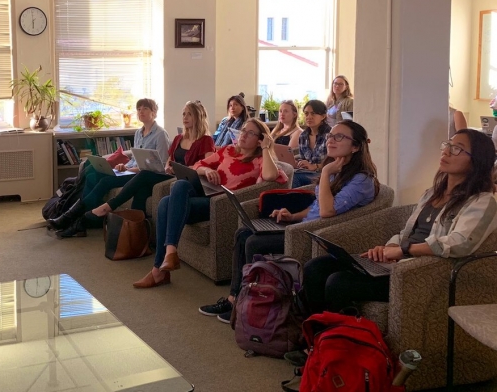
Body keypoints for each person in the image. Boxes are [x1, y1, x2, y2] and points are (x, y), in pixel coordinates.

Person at [301, 128, 497, 315]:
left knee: (339, 282)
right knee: (316, 267)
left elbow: (460, 243)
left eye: (456, 149)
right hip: (399, 262)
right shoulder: (432, 193)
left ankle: (335, 343)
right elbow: (407, 233)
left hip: (422, 273)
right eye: (447, 145)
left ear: (477, 160)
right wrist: (390, 247)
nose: (446, 151)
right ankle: (316, 336)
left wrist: (404, 250)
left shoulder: (482, 201)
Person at [199, 120, 380, 323]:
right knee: (243, 234)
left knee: (254, 242)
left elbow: (328, 211)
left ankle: (250, 305)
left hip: (317, 233)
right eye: (331, 136)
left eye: (339, 137)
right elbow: (317, 208)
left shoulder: (361, 180)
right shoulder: (338, 169)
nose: (331, 140)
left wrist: (326, 172)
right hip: (303, 225)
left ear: (356, 146)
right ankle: (235, 299)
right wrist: (292, 216)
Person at [133, 118, 288, 288]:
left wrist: (266, 147)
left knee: (166, 203)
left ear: (260, 139)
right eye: (243, 130)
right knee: (178, 187)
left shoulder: (259, 160)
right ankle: (169, 253)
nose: (243, 135)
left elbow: (271, 176)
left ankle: (159, 269)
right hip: (207, 194)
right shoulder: (228, 150)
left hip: (221, 205)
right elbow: (198, 164)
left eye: (251, 133)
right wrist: (207, 170)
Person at [47, 98, 170, 236]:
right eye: (139, 109)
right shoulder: (138, 133)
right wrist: (123, 165)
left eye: (145, 109)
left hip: (141, 175)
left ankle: (74, 218)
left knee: (105, 182)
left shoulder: (160, 134)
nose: (141, 112)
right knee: (93, 175)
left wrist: (131, 169)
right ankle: (74, 217)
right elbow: (134, 159)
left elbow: (161, 165)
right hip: (130, 171)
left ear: (154, 113)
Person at [87, 100, 215, 219]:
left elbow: (207, 165)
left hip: (186, 180)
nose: (185, 117)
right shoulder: (178, 138)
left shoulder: (206, 140)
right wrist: (168, 168)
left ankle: (109, 206)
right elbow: (169, 161)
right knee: (142, 190)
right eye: (184, 114)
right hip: (170, 175)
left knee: (145, 174)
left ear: (198, 117)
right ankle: (139, 232)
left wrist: (182, 169)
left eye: (190, 114)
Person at [293, 100, 331, 188]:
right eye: (306, 114)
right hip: (307, 172)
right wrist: (298, 163)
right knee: (286, 173)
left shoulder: (330, 135)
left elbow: (336, 162)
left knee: (294, 178)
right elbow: (303, 158)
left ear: (323, 116)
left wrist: (315, 166)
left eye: (313, 113)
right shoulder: (303, 136)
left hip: (324, 174)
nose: (309, 117)